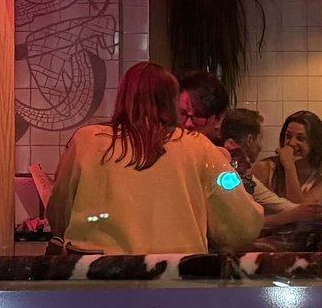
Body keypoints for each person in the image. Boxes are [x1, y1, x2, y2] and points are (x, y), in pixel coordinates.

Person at [47, 62, 262, 255]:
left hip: (98, 282)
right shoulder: (199, 147)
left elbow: (58, 216)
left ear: (122, 97)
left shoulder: (87, 141)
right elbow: (242, 225)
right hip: (175, 283)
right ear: (172, 102)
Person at [219, 108, 305, 229]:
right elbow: (237, 224)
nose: (261, 146)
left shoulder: (246, 174)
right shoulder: (226, 168)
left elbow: (280, 205)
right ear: (250, 140)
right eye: (260, 139)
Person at [261, 110, 322, 210]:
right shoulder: (264, 168)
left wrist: (289, 167)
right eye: (288, 136)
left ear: (314, 143)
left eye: (300, 138)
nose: (291, 143)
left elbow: (299, 214)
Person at [176, 70, 229, 145]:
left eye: (198, 115)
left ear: (219, 118)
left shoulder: (223, 154)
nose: (188, 124)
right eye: (182, 113)